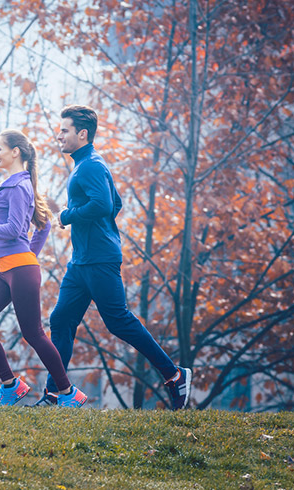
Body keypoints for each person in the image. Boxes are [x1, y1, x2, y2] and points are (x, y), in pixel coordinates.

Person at [37, 104, 191, 410]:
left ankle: (174, 375)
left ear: (82, 134)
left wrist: (67, 215)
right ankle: (55, 394)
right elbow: (115, 203)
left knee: (118, 321)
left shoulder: (91, 165)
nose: (59, 135)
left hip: (99, 260)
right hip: (82, 262)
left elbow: (105, 205)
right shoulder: (88, 165)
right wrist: (98, 228)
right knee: (61, 319)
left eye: (64, 130)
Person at [0, 129, 87, 408]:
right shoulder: (19, 184)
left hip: (20, 270)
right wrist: (29, 255)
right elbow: (44, 223)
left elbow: (15, 228)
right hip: (7, 269)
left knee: (34, 334)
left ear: (15, 151)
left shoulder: (18, 186)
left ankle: (68, 392)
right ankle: (11, 385)